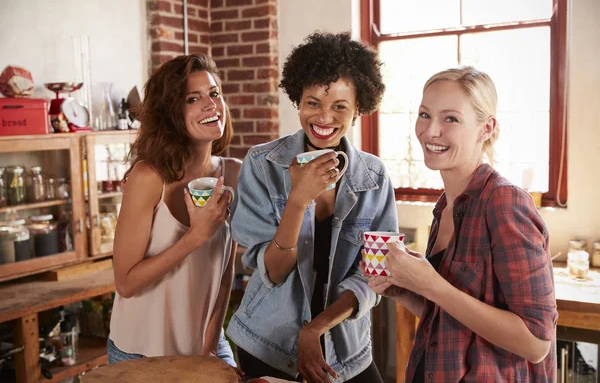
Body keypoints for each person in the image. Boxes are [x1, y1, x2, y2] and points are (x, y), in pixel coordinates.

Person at [364, 66, 557, 382]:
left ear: (486, 128)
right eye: (425, 115)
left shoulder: (505, 202)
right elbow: (452, 320)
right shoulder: (445, 206)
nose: (430, 131)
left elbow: (536, 344)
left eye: (450, 119)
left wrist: (430, 284)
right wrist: (404, 291)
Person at [226, 32, 398, 383]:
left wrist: (314, 330)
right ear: (297, 101)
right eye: (313, 102)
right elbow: (272, 272)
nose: (324, 117)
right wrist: (298, 199)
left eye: (339, 106)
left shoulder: (375, 176)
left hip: (345, 348)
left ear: (358, 108)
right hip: (267, 343)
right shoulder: (261, 165)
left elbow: (373, 274)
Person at [107, 54, 242, 371]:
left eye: (214, 93)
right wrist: (195, 236)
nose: (211, 105)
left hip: (206, 343)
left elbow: (224, 274)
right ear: (171, 114)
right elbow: (126, 283)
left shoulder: (234, 173)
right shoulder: (148, 177)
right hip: (140, 353)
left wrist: (208, 348)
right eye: (192, 99)